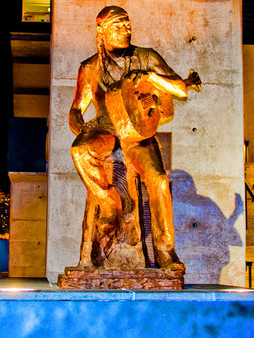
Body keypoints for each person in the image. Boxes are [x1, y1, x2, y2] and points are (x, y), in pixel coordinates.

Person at [69, 6, 200, 269]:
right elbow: (76, 108)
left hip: (138, 135)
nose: (126, 30)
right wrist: (79, 125)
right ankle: (109, 203)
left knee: (159, 180)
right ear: (102, 32)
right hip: (105, 130)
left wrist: (152, 77)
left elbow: (180, 90)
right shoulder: (90, 68)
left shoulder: (146, 57)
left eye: (128, 25)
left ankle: (166, 251)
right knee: (79, 150)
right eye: (118, 26)